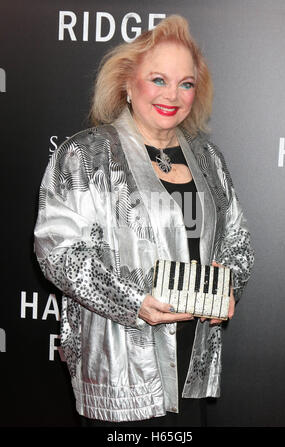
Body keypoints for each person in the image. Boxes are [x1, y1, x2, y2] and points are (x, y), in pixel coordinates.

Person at [34, 15, 254, 427]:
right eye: (158, 79)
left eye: (185, 83)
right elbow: (58, 253)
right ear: (126, 83)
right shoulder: (85, 155)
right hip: (122, 366)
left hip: (192, 360)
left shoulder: (207, 159)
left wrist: (228, 283)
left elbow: (236, 238)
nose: (173, 94)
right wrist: (134, 303)